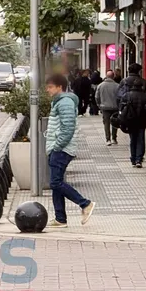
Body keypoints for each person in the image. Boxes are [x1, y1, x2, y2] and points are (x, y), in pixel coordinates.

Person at [45, 73, 96, 228]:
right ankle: (60, 218)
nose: (48, 90)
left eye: (50, 87)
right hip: (57, 146)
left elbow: (68, 128)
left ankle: (85, 204)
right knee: (57, 183)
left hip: (61, 147)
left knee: (55, 182)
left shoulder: (65, 102)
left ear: (60, 87)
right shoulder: (60, 101)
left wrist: (58, 146)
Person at [117, 63, 146, 168]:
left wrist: (121, 112)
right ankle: (139, 158)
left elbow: (119, 98)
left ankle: (133, 157)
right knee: (140, 137)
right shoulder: (144, 83)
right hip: (142, 116)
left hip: (129, 115)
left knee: (133, 137)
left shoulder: (124, 82)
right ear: (139, 71)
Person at [94, 71, 120, 146]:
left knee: (106, 123)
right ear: (113, 76)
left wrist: (99, 105)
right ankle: (114, 138)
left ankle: (108, 139)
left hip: (104, 107)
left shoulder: (100, 86)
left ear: (106, 76)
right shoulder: (117, 86)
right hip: (115, 107)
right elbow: (120, 97)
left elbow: (96, 97)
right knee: (115, 122)